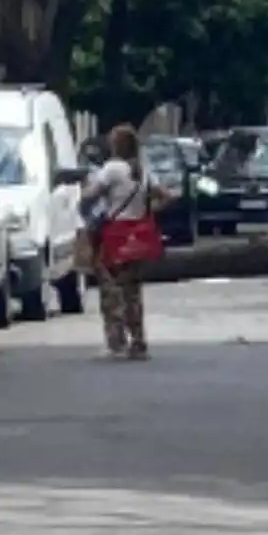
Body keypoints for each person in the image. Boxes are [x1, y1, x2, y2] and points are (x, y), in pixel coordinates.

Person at [79, 125, 171, 360]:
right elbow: (166, 196)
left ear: (116, 145)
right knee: (133, 292)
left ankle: (116, 342)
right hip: (138, 236)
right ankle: (138, 342)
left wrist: (84, 190)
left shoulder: (112, 169)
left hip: (115, 236)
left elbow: (91, 195)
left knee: (111, 290)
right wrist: (147, 213)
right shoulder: (143, 170)